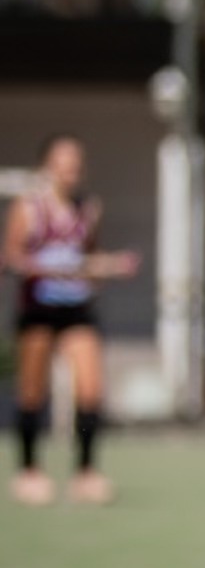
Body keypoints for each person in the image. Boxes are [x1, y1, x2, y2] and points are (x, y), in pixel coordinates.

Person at [6, 136, 139, 506]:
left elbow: (89, 259)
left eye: (76, 165)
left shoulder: (88, 209)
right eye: (63, 164)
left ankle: (86, 471)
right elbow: (13, 258)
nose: (70, 172)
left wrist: (111, 266)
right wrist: (48, 269)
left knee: (91, 389)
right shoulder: (29, 209)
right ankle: (30, 469)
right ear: (47, 167)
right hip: (38, 313)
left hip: (77, 312)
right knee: (33, 393)